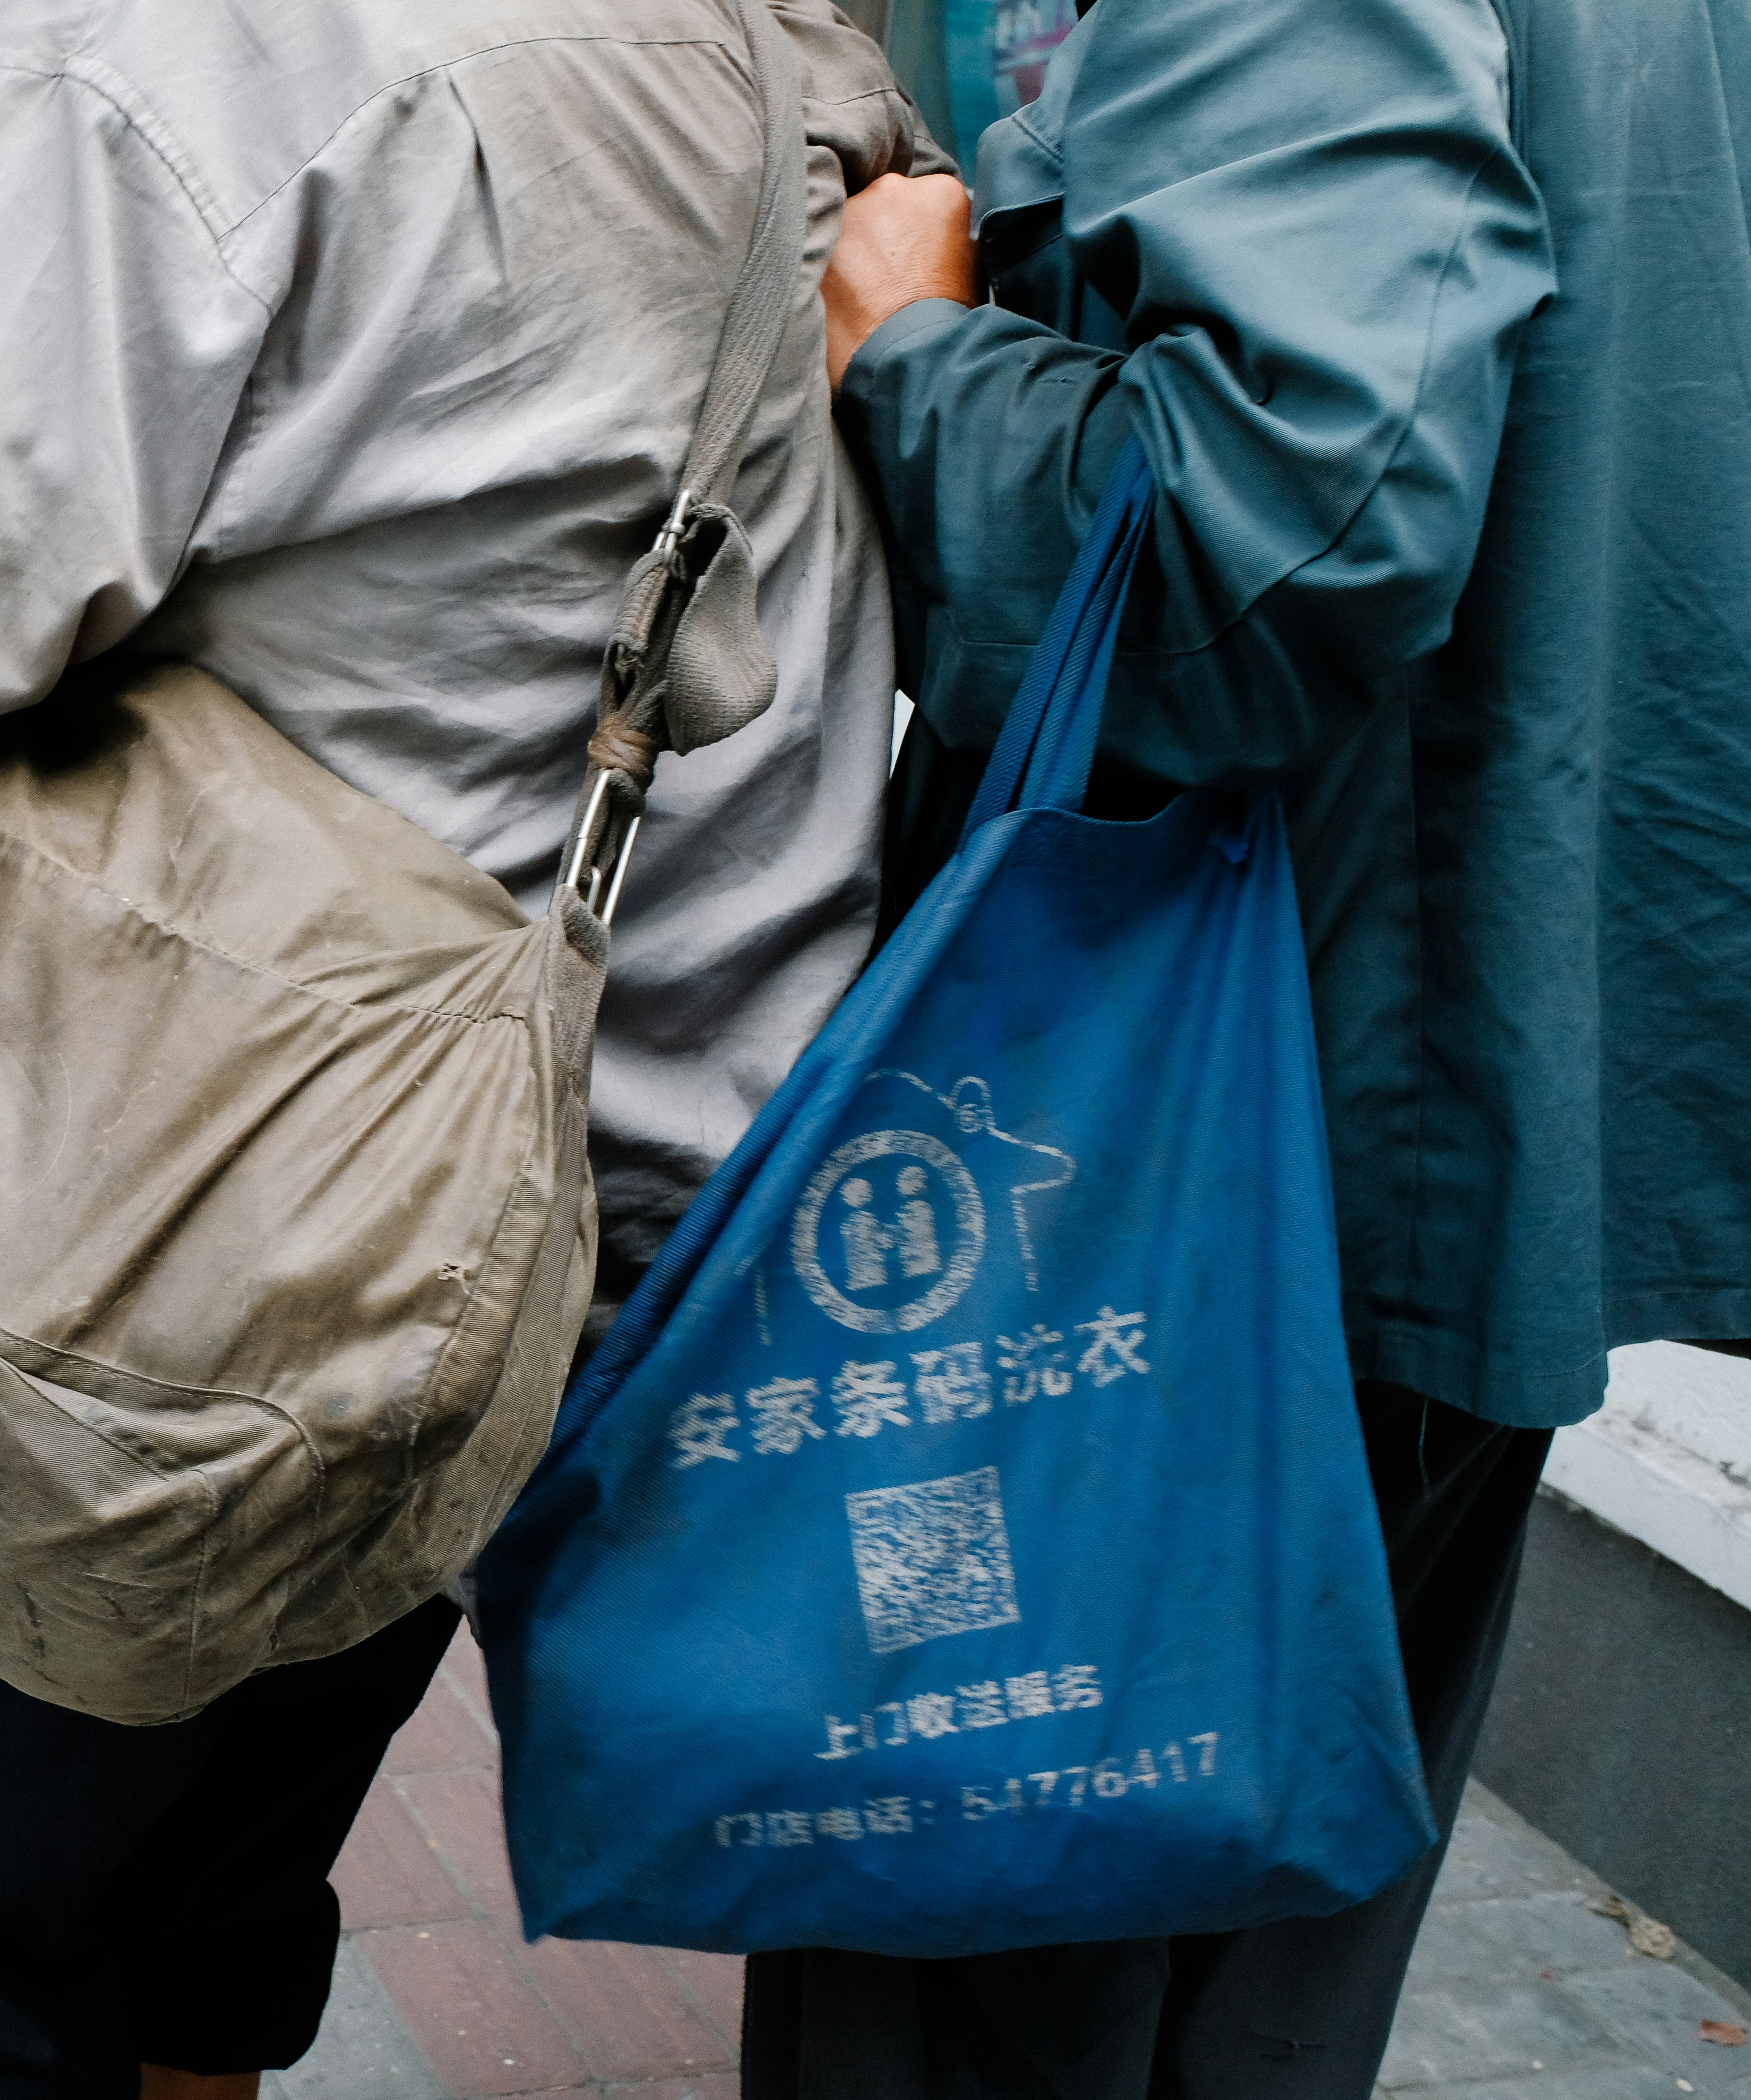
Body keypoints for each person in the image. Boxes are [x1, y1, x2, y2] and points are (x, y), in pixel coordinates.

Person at [0, 2, 944, 2090]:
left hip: (158, 1242)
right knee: (211, 1905)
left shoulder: (176, 41)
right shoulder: (762, 38)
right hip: (519, 1229)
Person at [749, 0, 1751, 2090]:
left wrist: (912, 354)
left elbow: (1269, 530)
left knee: (972, 1977)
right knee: (1252, 1980)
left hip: (1221, 1101)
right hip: (1436, 1058)